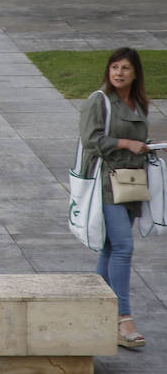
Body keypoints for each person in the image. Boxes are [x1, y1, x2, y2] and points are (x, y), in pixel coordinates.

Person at [77, 48, 151, 348]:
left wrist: (149, 147)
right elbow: (90, 140)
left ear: (135, 73)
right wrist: (125, 143)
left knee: (109, 249)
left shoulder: (139, 103)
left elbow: (139, 142)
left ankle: (95, 313)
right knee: (123, 247)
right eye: (114, 67)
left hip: (132, 183)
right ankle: (123, 318)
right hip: (107, 183)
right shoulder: (99, 101)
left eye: (126, 68)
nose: (119, 73)